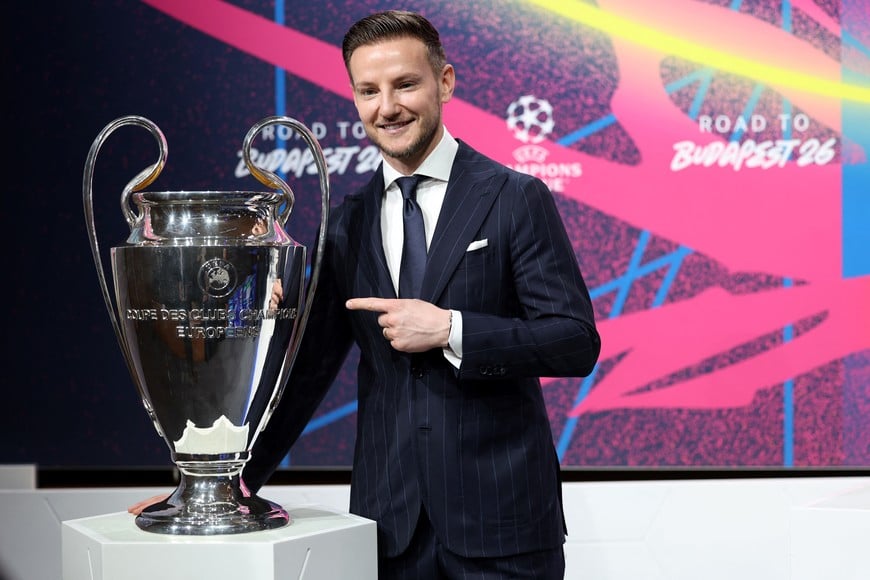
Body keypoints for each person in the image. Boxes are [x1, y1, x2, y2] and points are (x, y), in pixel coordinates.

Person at [135, 9, 601, 579]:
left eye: (406, 84)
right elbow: (305, 375)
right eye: (368, 91)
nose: (388, 107)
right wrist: (219, 487)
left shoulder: (514, 197)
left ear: (445, 82)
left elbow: (575, 342)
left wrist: (452, 329)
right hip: (389, 527)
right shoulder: (345, 223)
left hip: (501, 521)